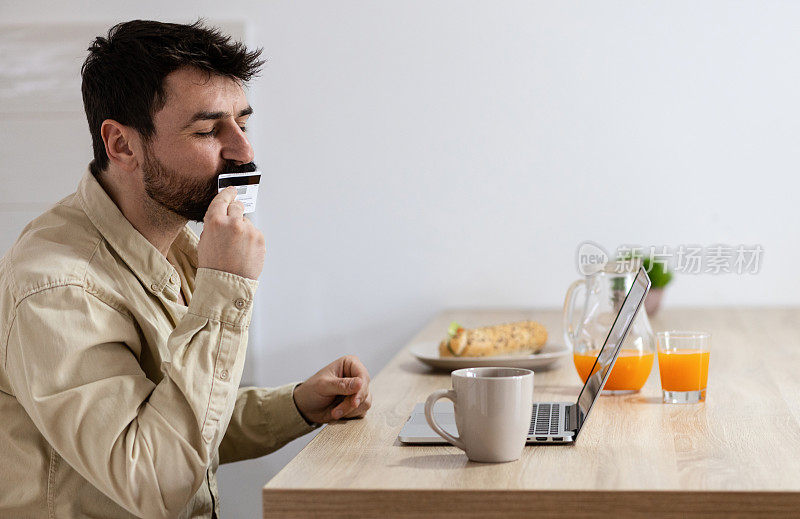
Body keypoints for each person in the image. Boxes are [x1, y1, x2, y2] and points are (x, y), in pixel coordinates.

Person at [0, 19, 371, 518]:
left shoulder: (173, 244)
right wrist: (225, 289)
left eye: (243, 121)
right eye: (207, 129)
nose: (244, 151)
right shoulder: (57, 287)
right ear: (122, 145)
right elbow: (155, 476)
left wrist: (299, 404)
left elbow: (179, 415)